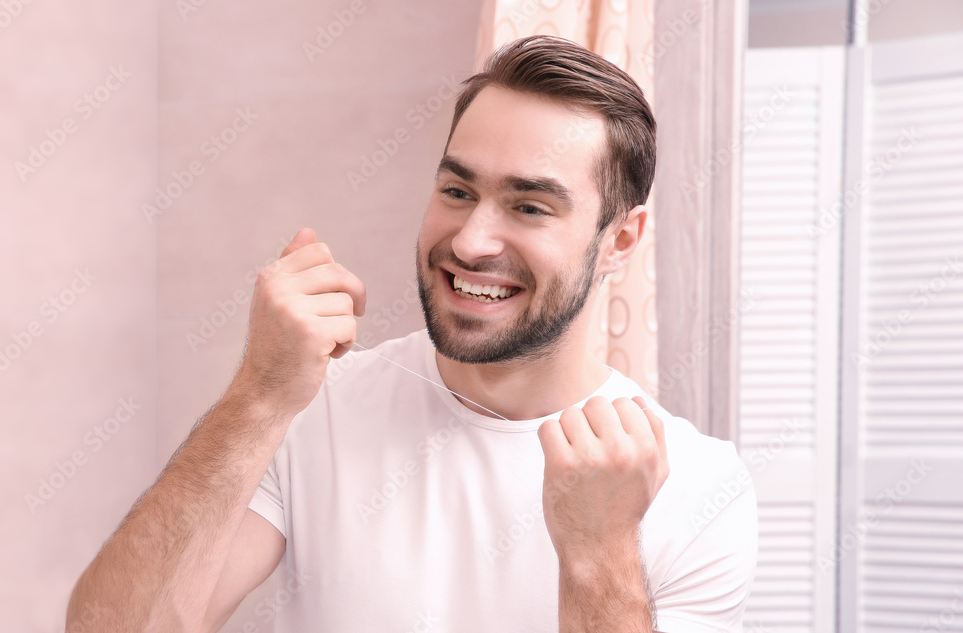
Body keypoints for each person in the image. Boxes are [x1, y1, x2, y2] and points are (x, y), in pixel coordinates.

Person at [67, 35, 757, 633]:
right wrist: (257, 393)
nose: (473, 239)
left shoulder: (696, 487)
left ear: (620, 239)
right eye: (457, 191)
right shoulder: (314, 410)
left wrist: (600, 552)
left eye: (528, 205)